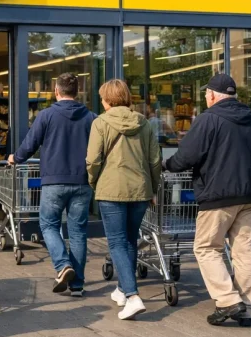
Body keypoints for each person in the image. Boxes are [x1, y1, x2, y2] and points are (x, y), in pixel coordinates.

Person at [163, 74, 251, 327]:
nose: (205, 98)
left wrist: (167, 165)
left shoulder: (209, 119)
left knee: (206, 247)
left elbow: (185, 157)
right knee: (245, 252)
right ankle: (246, 308)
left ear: (213, 95)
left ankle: (227, 300)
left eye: (206, 94)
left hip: (219, 195)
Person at [8, 73, 96, 296]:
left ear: (56, 91)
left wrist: (14, 158)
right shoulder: (91, 117)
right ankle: (77, 285)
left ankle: (62, 265)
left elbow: (29, 145)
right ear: (77, 92)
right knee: (77, 233)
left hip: (54, 182)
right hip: (82, 182)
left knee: (48, 225)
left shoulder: (46, 115)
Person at [86, 79, 161, 319]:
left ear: (107, 99)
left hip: (111, 190)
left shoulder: (100, 123)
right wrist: (154, 189)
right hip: (140, 190)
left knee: (117, 242)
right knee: (129, 240)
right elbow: (155, 160)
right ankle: (120, 289)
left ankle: (132, 295)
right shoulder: (145, 123)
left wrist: (93, 182)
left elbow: (93, 160)